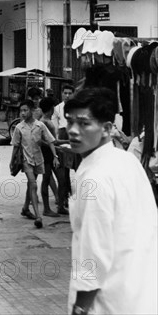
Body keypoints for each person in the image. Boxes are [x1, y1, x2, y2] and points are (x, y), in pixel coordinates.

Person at [65, 88, 157, 315]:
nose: (73, 131)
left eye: (84, 124)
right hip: (141, 293)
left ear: (107, 128)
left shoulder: (95, 178)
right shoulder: (126, 160)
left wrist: (80, 308)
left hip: (108, 302)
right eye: (70, 122)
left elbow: (94, 251)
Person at [11, 99, 59, 229]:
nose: (23, 113)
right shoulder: (19, 128)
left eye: (25, 110)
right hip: (26, 160)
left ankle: (26, 208)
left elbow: (50, 141)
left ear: (32, 111)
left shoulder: (40, 126)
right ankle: (38, 216)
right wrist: (12, 161)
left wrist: (55, 156)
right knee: (33, 184)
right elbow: (15, 146)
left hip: (38, 159)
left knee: (31, 185)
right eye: (21, 111)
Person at [52, 83, 76, 213]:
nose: (67, 96)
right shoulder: (57, 109)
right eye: (65, 93)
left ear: (73, 94)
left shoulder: (78, 108)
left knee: (78, 168)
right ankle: (66, 197)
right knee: (64, 171)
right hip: (62, 138)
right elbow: (55, 128)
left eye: (69, 93)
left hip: (74, 138)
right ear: (61, 94)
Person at [38, 97, 62, 217]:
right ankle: (46, 208)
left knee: (60, 178)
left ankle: (61, 204)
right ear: (51, 108)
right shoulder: (44, 121)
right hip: (46, 153)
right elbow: (41, 140)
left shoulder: (46, 120)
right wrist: (53, 147)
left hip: (50, 151)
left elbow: (53, 139)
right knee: (46, 180)